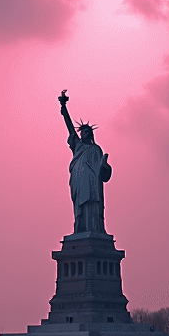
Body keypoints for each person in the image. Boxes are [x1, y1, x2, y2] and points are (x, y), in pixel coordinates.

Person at [59, 90, 111, 234]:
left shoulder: (96, 149)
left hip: (93, 181)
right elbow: (69, 127)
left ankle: (95, 229)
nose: (86, 134)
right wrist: (64, 107)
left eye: (89, 132)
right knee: (80, 206)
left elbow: (103, 172)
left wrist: (106, 166)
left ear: (92, 135)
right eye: (84, 132)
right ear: (81, 135)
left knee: (94, 203)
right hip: (79, 179)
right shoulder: (78, 146)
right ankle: (81, 229)